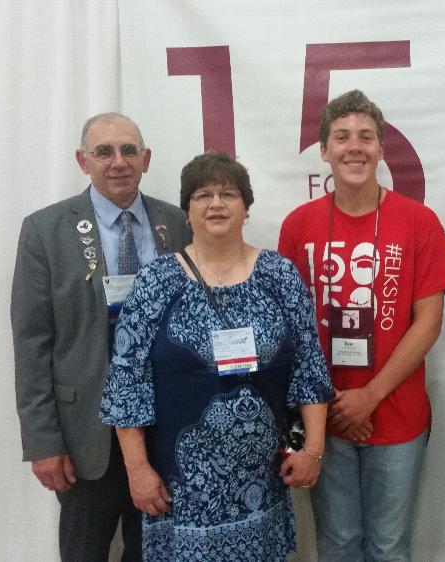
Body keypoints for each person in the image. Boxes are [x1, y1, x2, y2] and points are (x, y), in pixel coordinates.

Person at [100, 152, 334, 561]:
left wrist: (312, 449)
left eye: (229, 193)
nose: (216, 203)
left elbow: (309, 367)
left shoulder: (278, 275)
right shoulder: (157, 281)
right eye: (202, 195)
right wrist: (137, 470)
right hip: (179, 489)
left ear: (246, 207)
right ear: (187, 211)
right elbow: (126, 384)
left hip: (261, 483)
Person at [278, 89, 445, 561]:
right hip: (325, 417)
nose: (353, 147)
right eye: (341, 137)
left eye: (365, 137)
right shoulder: (299, 226)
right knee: (337, 546)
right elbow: (293, 328)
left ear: (381, 148)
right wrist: (337, 406)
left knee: (389, 546)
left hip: (397, 415)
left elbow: (429, 322)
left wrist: (370, 396)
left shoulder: (419, 222)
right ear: (323, 150)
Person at [12, 112, 191, 561]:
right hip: (84, 435)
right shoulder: (45, 231)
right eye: (104, 151)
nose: (118, 162)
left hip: (163, 426)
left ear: (146, 159)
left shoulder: (177, 224)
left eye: (129, 150)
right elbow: (31, 343)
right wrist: (43, 441)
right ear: (82, 160)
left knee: (154, 554)